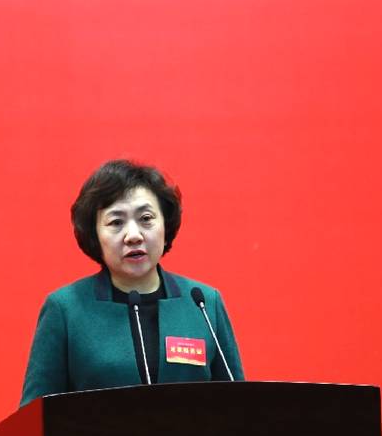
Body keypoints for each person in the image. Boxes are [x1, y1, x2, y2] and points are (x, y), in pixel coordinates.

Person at [20, 159, 245, 407]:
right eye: (116, 222)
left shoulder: (203, 303)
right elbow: (34, 416)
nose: (134, 236)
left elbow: (239, 407)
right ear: (95, 235)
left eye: (146, 218)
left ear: (165, 226)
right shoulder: (65, 309)